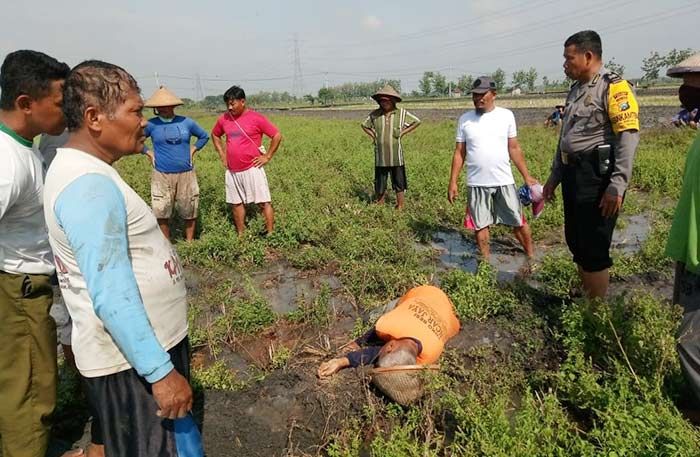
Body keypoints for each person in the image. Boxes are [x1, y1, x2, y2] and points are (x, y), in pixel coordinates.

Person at [43, 60, 199, 457]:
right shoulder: (88, 187)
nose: (144, 122)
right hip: (133, 369)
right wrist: (161, 373)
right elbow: (111, 294)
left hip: (135, 358)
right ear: (95, 117)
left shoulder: (87, 172)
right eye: (135, 110)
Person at [0, 50, 74, 457]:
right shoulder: (8, 161)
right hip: (18, 289)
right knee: (30, 392)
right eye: (60, 103)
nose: (66, 113)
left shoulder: (23, 147)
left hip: (21, 286)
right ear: (26, 104)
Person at [542, 30, 640, 299]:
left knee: (594, 246)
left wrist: (617, 185)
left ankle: (595, 313)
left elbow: (627, 139)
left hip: (597, 177)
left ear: (588, 56)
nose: (564, 64)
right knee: (576, 240)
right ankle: (587, 295)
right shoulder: (575, 90)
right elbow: (566, 138)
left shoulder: (614, 88)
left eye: (569, 58)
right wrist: (554, 178)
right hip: (573, 174)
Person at [447, 76, 538, 261]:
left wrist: (526, 176)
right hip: (476, 182)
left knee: (517, 221)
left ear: (494, 94)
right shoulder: (465, 120)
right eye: (475, 95)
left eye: (482, 94)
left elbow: (514, 148)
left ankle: (531, 257)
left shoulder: (506, 116)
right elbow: (459, 153)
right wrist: (453, 182)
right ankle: (486, 263)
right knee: (480, 225)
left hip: (503, 180)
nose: (478, 98)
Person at [317, 285, 460, 378]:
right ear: (391, 346)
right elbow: (373, 335)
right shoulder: (391, 323)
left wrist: (342, 361)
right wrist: (358, 342)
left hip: (446, 309)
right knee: (372, 316)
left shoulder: (430, 356)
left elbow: (375, 351)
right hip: (424, 292)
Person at [664, 52, 700, 403]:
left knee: (691, 341)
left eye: (694, 86)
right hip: (691, 254)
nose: (686, 94)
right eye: (684, 86)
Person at [211, 85, 282, 236]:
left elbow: (276, 135)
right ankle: (241, 235)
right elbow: (215, 135)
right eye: (227, 104)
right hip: (232, 170)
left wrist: (267, 156)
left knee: (263, 202)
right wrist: (222, 154)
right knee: (236, 204)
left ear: (242, 101)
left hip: (252, 168)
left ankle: (270, 233)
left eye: (233, 103)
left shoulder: (256, 118)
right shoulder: (224, 119)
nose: (230, 107)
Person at [142, 86, 209, 241]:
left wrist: (193, 149)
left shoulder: (186, 122)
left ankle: (190, 242)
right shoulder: (151, 125)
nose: (163, 109)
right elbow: (135, 140)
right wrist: (148, 152)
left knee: (189, 208)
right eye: (160, 107)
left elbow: (204, 136)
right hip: (161, 173)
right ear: (155, 108)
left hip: (186, 172)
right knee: (161, 209)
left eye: (166, 106)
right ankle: (166, 243)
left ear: (173, 106)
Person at [361, 84, 421, 209]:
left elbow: (417, 121)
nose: (384, 103)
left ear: (393, 101)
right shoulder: (375, 115)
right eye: (382, 101)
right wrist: (374, 136)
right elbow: (364, 125)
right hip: (381, 156)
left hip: (396, 156)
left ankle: (400, 205)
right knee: (380, 181)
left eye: (387, 101)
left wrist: (402, 133)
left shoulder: (401, 114)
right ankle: (380, 203)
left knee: (399, 181)